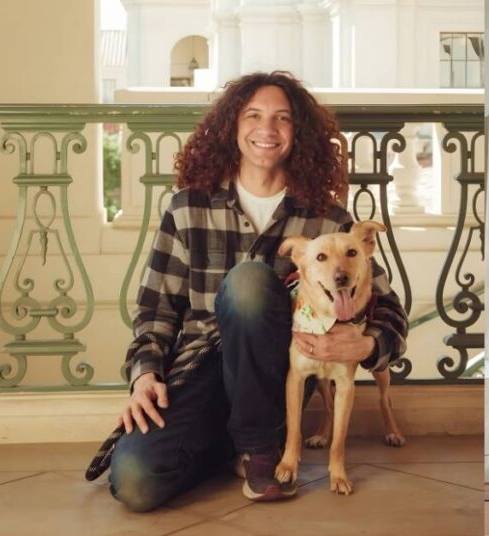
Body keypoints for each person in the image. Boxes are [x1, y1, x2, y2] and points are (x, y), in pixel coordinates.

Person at [85, 71, 408, 511]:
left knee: (250, 281)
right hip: (202, 367)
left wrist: (367, 344)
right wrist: (144, 375)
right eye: (252, 115)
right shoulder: (187, 208)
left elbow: (389, 307)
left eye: (283, 119)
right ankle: (229, 439)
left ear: (300, 133)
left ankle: (258, 449)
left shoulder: (327, 222)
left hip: (276, 372)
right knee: (137, 482)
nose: (267, 129)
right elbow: (155, 309)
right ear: (231, 128)